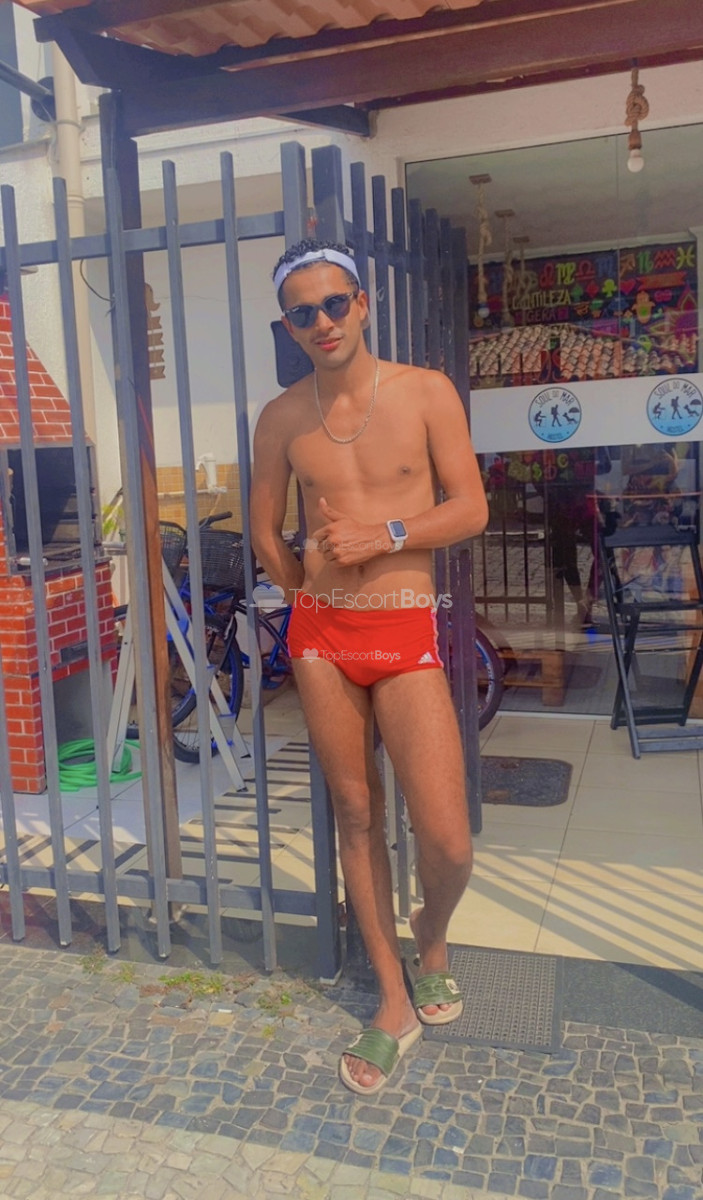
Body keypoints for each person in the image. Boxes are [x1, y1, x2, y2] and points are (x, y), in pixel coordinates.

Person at [250, 239, 488, 1096]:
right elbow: (262, 526)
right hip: (321, 636)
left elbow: (470, 508)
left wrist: (383, 535)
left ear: (361, 303)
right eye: (302, 312)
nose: (321, 321)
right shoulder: (281, 416)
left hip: (402, 632)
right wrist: (300, 582)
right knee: (355, 813)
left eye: (333, 303)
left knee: (447, 837)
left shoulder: (424, 392)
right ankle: (392, 998)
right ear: (288, 324)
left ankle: (432, 935)